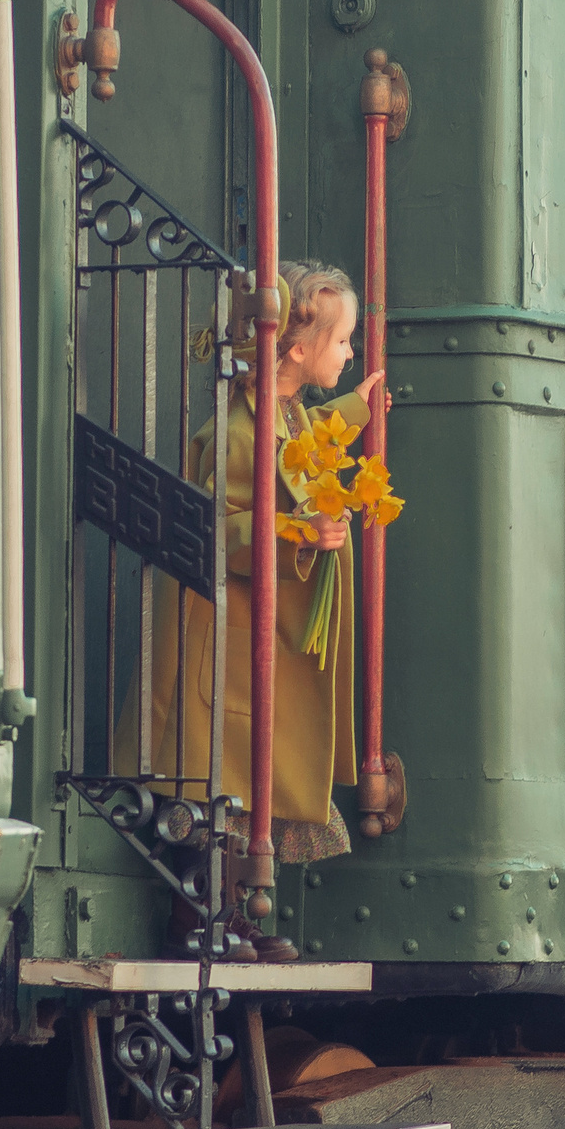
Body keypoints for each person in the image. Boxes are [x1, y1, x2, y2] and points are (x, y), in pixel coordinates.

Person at [135, 261, 384, 960]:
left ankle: (232, 918)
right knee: (224, 785)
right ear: (298, 351)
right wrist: (299, 530)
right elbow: (218, 522)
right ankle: (198, 921)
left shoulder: (283, 410)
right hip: (223, 632)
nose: (349, 353)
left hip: (251, 631)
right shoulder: (238, 429)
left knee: (245, 786)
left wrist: (358, 408)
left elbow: (298, 454)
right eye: (343, 343)